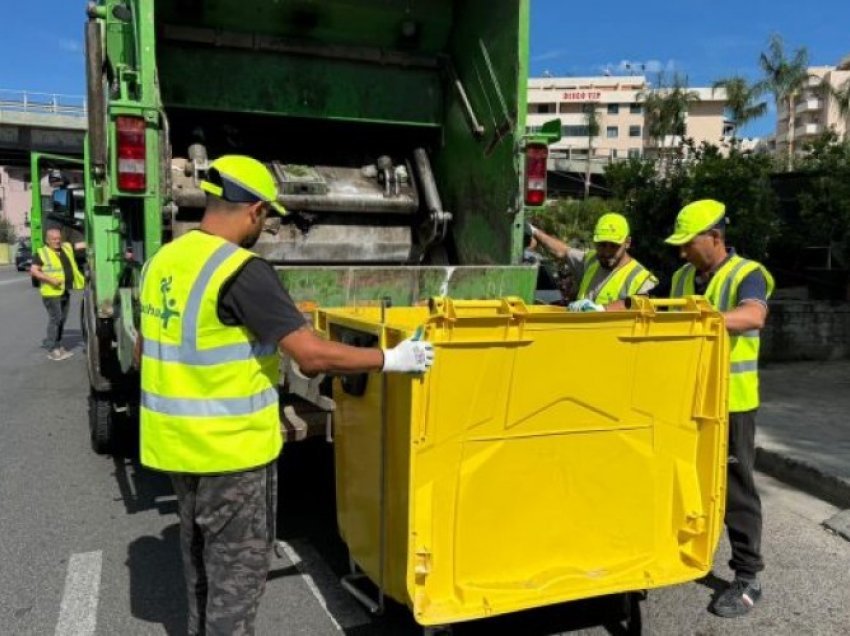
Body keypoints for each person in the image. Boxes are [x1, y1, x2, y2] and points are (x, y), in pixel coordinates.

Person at [138, 155, 434, 636]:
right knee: (237, 584)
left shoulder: (161, 262)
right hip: (230, 456)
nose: (267, 225)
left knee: (200, 573)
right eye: (268, 216)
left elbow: (146, 347)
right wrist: (391, 359)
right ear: (253, 210)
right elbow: (311, 356)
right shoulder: (242, 270)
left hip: (175, 448)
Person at [665, 198, 774, 618]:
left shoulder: (747, 274)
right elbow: (649, 306)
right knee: (680, 478)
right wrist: (598, 311)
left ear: (714, 237)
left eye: (688, 243)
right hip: (682, 402)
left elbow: (752, 317)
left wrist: (700, 321)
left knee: (734, 489)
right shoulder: (680, 276)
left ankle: (748, 577)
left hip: (732, 404)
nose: (681, 252)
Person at [529, 212, 658, 311]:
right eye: (602, 245)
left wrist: (602, 309)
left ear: (627, 243)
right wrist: (534, 231)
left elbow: (641, 302)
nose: (607, 252)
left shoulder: (639, 277)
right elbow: (562, 251)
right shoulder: (591, 260)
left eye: (614, 246)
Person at [29, 227, 85, 361]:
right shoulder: (42, 253)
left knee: (62, 319)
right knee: (56, 319)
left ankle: (59, 346)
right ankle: (52, 348)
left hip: (63, 290)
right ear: (47, 240)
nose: (57, 241)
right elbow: (34, 271)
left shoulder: (66, 248)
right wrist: (50, 280)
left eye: (59, 238)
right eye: (54, 239)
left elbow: (80, 245)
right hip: (51, 293)